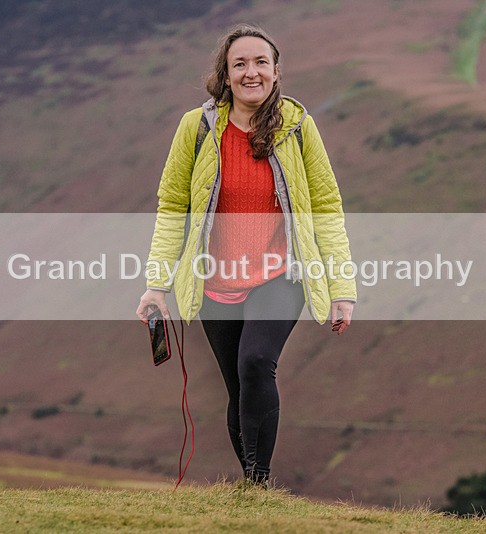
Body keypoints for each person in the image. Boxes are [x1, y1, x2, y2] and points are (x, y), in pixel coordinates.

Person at [136, 24, 356, 487]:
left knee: (256, 361)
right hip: (214, 279)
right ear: (226, 73)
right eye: (240, 64)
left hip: (282, 273)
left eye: (260, 63)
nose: (250, 72)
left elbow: (326, 207)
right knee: (238, 385)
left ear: (276, 73)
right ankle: (251, 492)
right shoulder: (196, 129)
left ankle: (259, 480)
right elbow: (173, 206)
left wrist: (342, 290)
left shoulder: (297, 127)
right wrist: (156, 284)